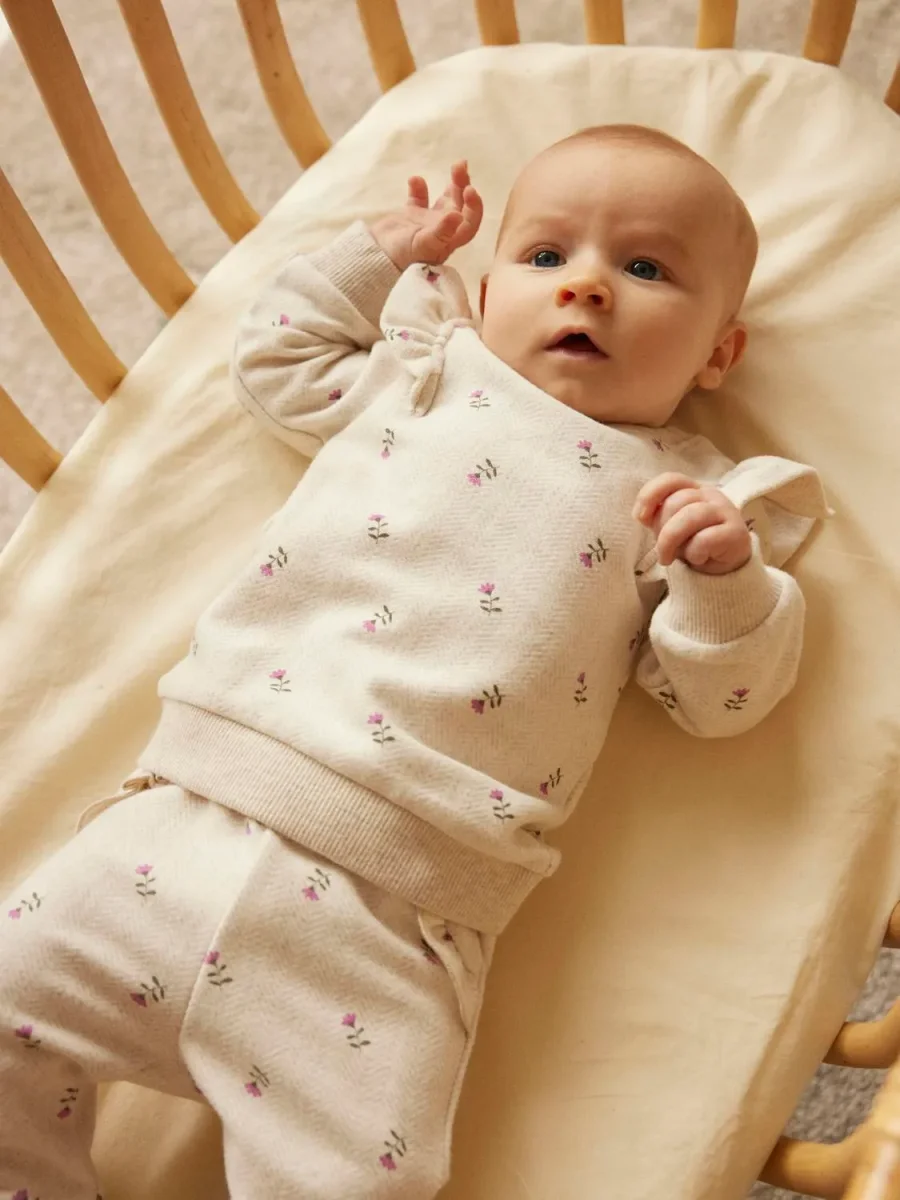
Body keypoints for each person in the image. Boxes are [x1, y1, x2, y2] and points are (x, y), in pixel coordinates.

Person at [0, 125, 829, 1200]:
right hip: (184, 819)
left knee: (364, 1179)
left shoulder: (689, 500)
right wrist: (379, 252)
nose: (586, 286)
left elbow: (723, 697)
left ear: (719, 353)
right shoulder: (426, 372)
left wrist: (722, 578)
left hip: (391, 920)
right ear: (484, 293)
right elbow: (277, 360)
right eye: (545, 256)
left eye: (645, 268)